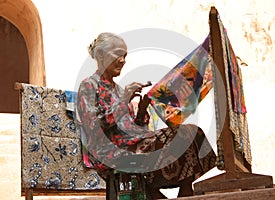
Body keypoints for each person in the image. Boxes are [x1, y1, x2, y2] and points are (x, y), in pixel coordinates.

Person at [76, 32, 216, 199]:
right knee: (179, 135)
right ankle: (163, 192)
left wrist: (142, 111)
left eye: (125, 56)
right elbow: (94, 128)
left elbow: (133, 129)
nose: (123, 60)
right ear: (100, 55)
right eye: (118, 55)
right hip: (109, 152)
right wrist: (124, 100)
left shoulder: (119, 90)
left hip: (132, 143)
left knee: (190, 132)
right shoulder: (89, 86)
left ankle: (184, 193)